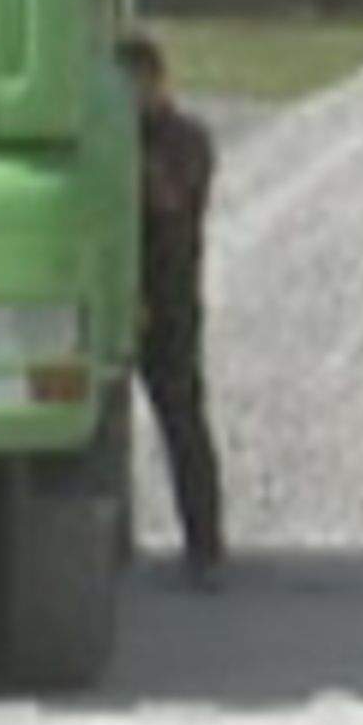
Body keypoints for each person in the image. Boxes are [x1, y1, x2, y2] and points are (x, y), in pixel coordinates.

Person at [121, 30, 228, 583]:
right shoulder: (113, 140)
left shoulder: (185, 140)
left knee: (182, 420)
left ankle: (205, 545)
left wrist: (131, 163)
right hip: (117, 294)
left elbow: (172, 201)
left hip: (169, 298)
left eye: (136, 86)